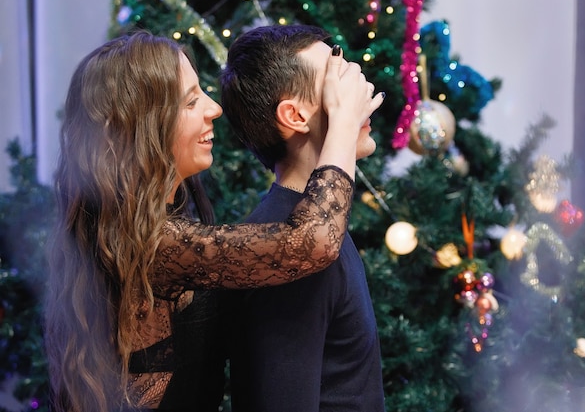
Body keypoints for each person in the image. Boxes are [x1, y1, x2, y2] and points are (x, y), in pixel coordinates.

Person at [44, 30, 383, 412]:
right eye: (190, 102)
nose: (214, 109)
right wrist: (342, 120)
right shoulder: (148, 243)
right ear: (139, 128)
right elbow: (312, 241)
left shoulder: (170, 224)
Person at [220, 24, 386, 412]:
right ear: (294, 115)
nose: (357, 89)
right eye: (335, 78)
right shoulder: (284, 251)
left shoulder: (319, 221)